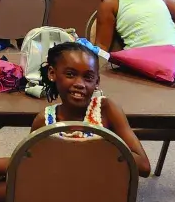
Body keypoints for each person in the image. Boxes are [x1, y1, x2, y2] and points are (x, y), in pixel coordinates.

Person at [35, 42, 151, 175]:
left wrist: (95, 149)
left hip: (103, 186)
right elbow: (29, 165)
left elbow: (143, 166)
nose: (80, 84)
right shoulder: (44, 120)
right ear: (52, 73)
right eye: (70, 74)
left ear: (97, 81)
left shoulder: (106, 110)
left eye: (88, 77)